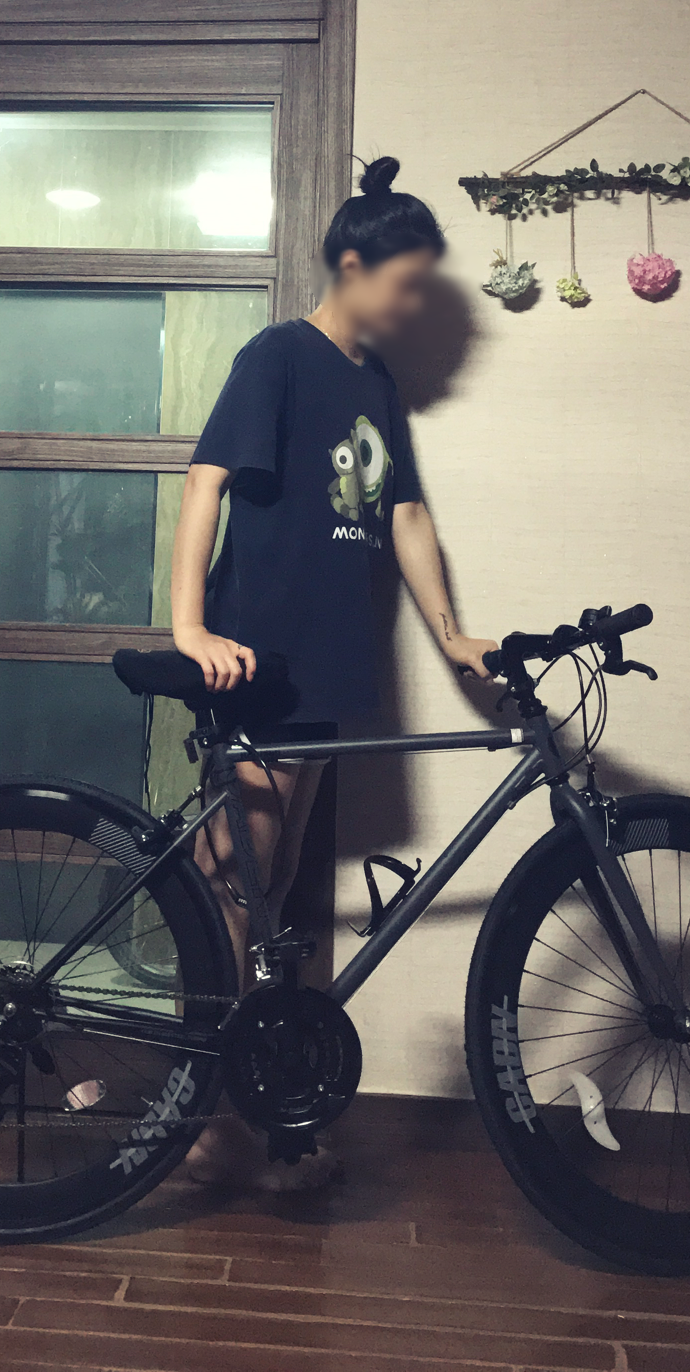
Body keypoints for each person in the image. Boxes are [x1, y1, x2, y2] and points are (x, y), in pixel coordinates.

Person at [170, 155, 498, 1191]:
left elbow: (405, 511)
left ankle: (247, 1105)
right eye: (406, 282)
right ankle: (202, 1114)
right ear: (352, 266)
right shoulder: (280, 355)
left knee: (266, 891)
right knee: (235, 883)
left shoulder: (374, 383)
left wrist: (451, 633)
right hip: (259, 652)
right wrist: (189, 625)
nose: (414, 305)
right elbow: (207, 481)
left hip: (331, 656)